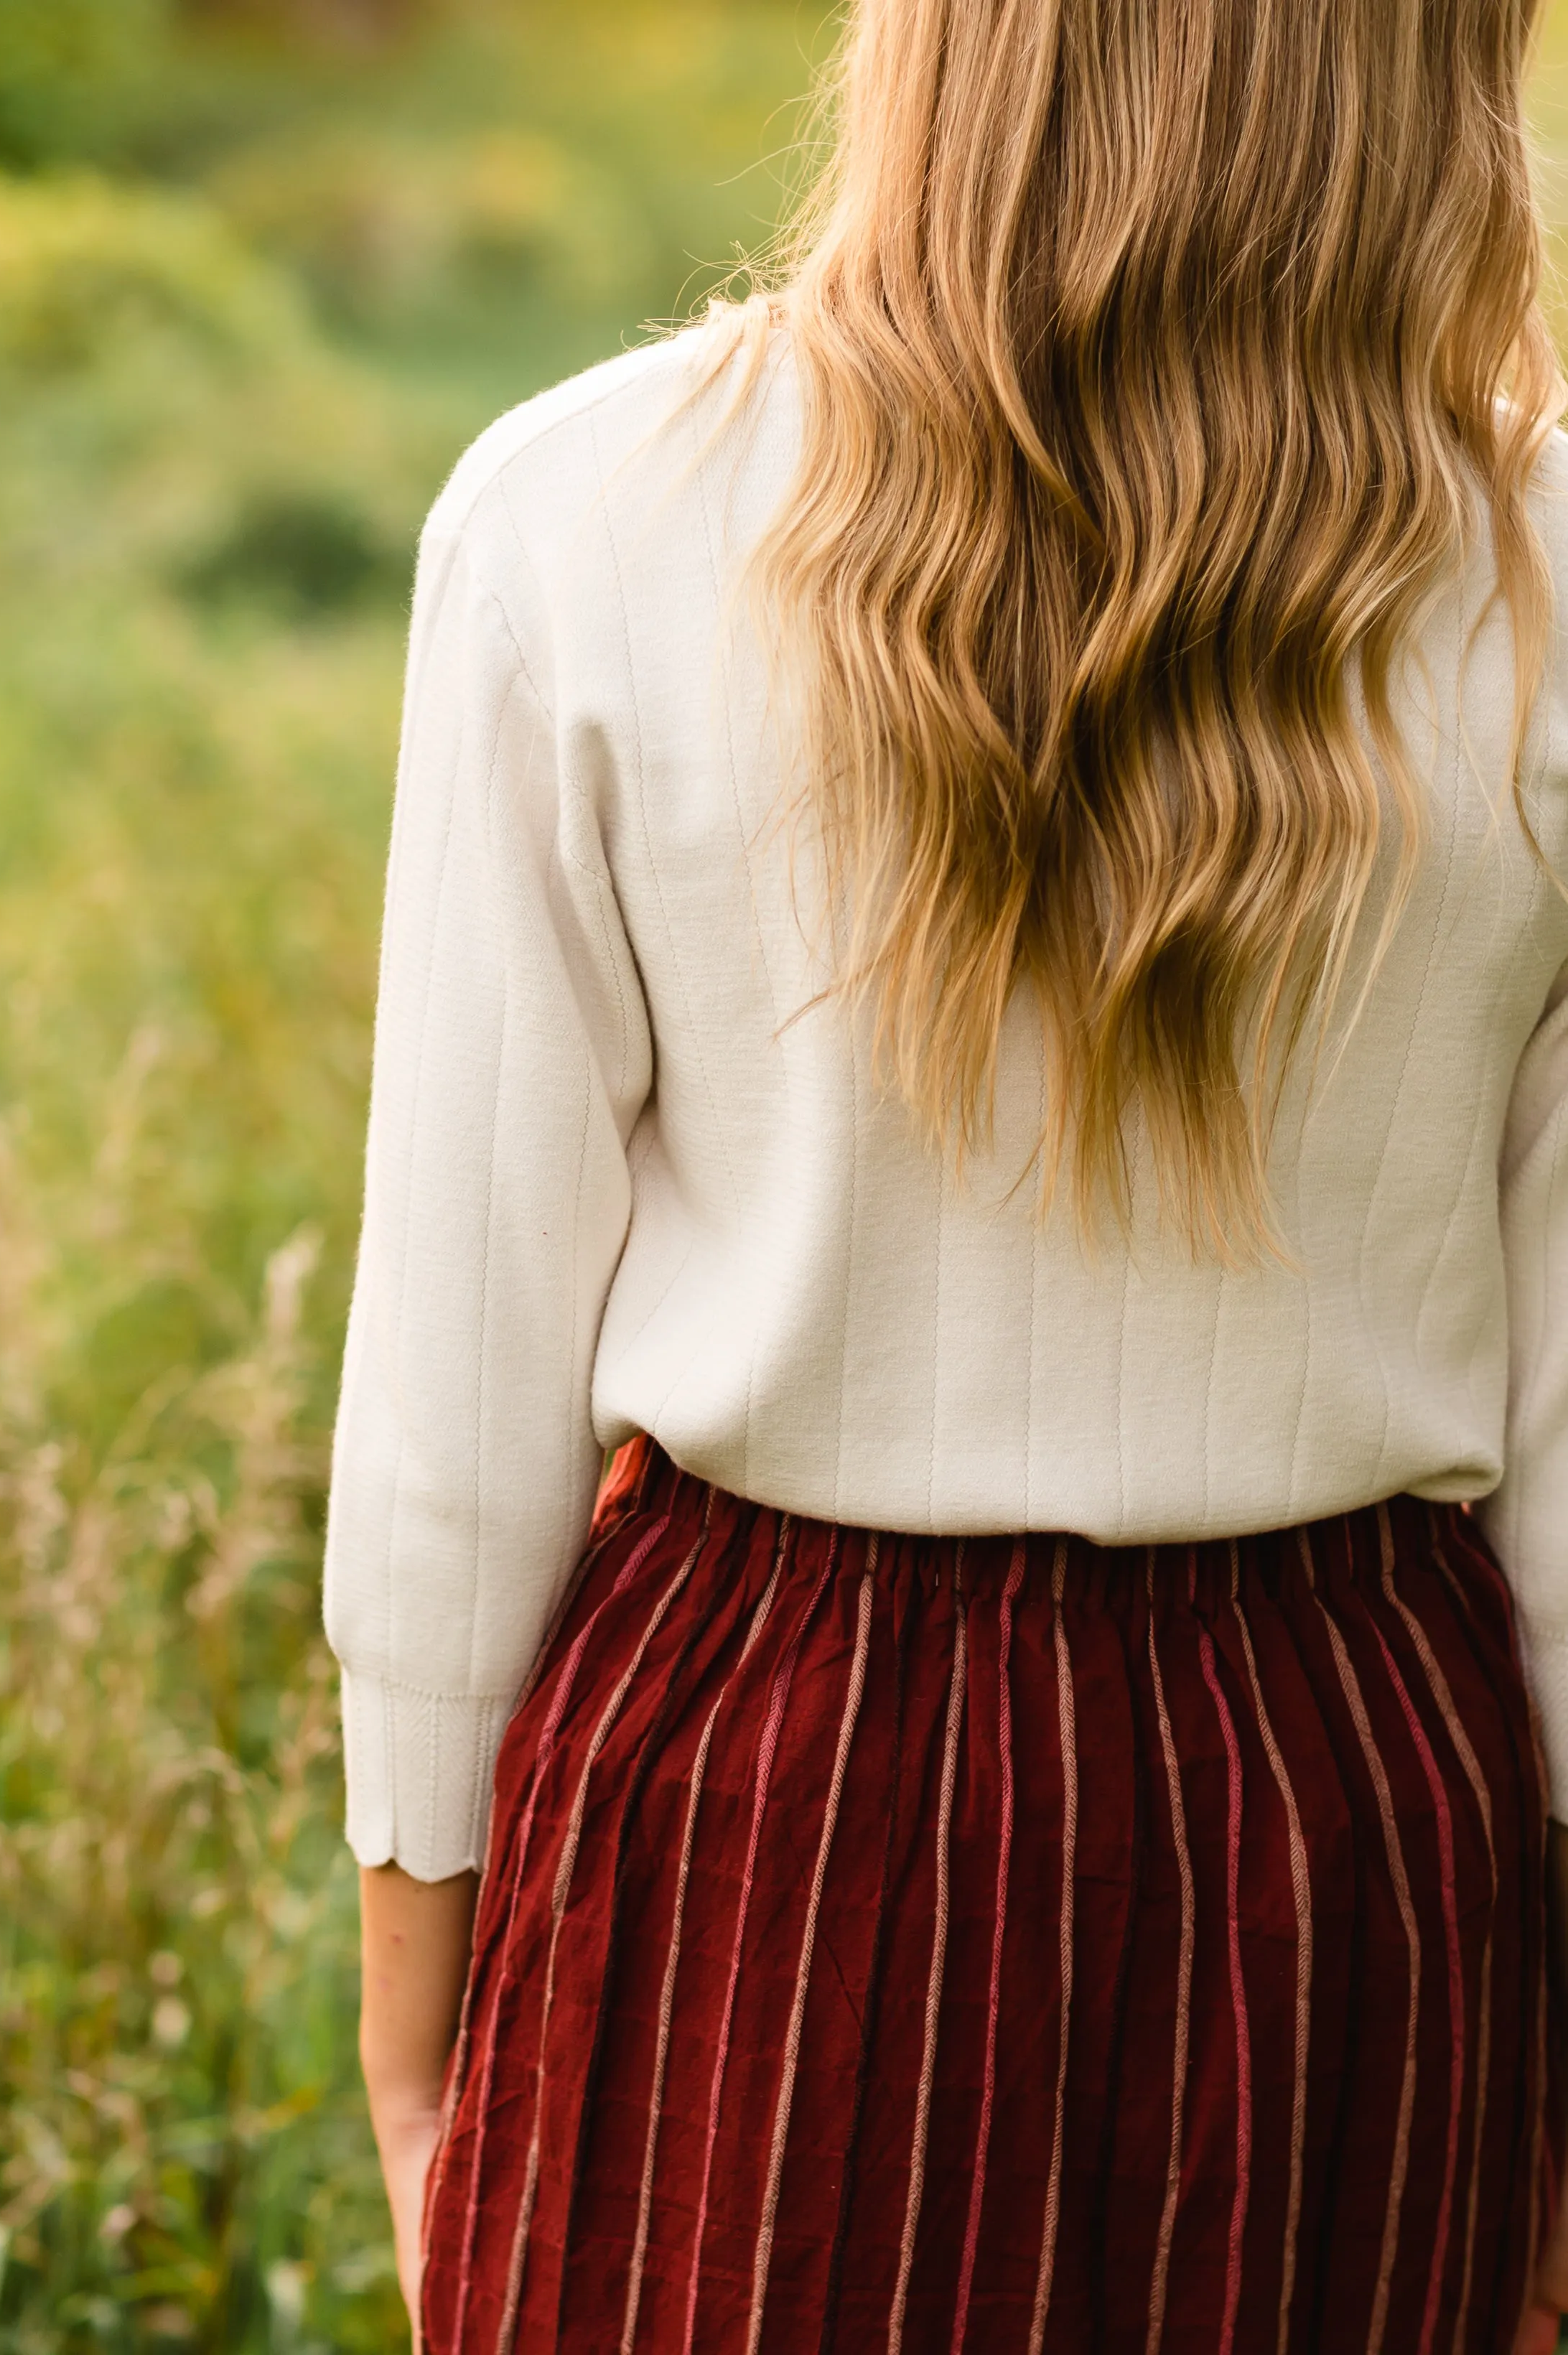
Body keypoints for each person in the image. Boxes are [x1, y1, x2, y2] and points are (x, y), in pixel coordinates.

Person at [325, 1, 1568, 2346]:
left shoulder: (579, 511)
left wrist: (416, 2055)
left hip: (754, 1781)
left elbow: (453, 1392)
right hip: (1345, 1810)